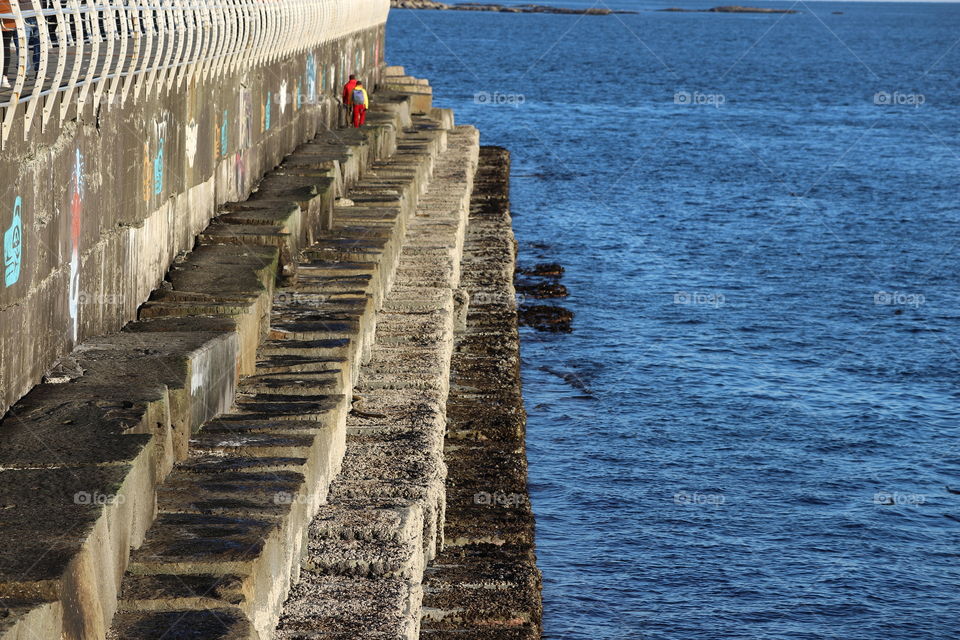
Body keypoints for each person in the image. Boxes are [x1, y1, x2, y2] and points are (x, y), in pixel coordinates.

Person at [1, 0, 16, 88]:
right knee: (5, 48)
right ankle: (4, 77)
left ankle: (4, 77)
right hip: (9, 15)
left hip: (8, 16)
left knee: (5, 47)